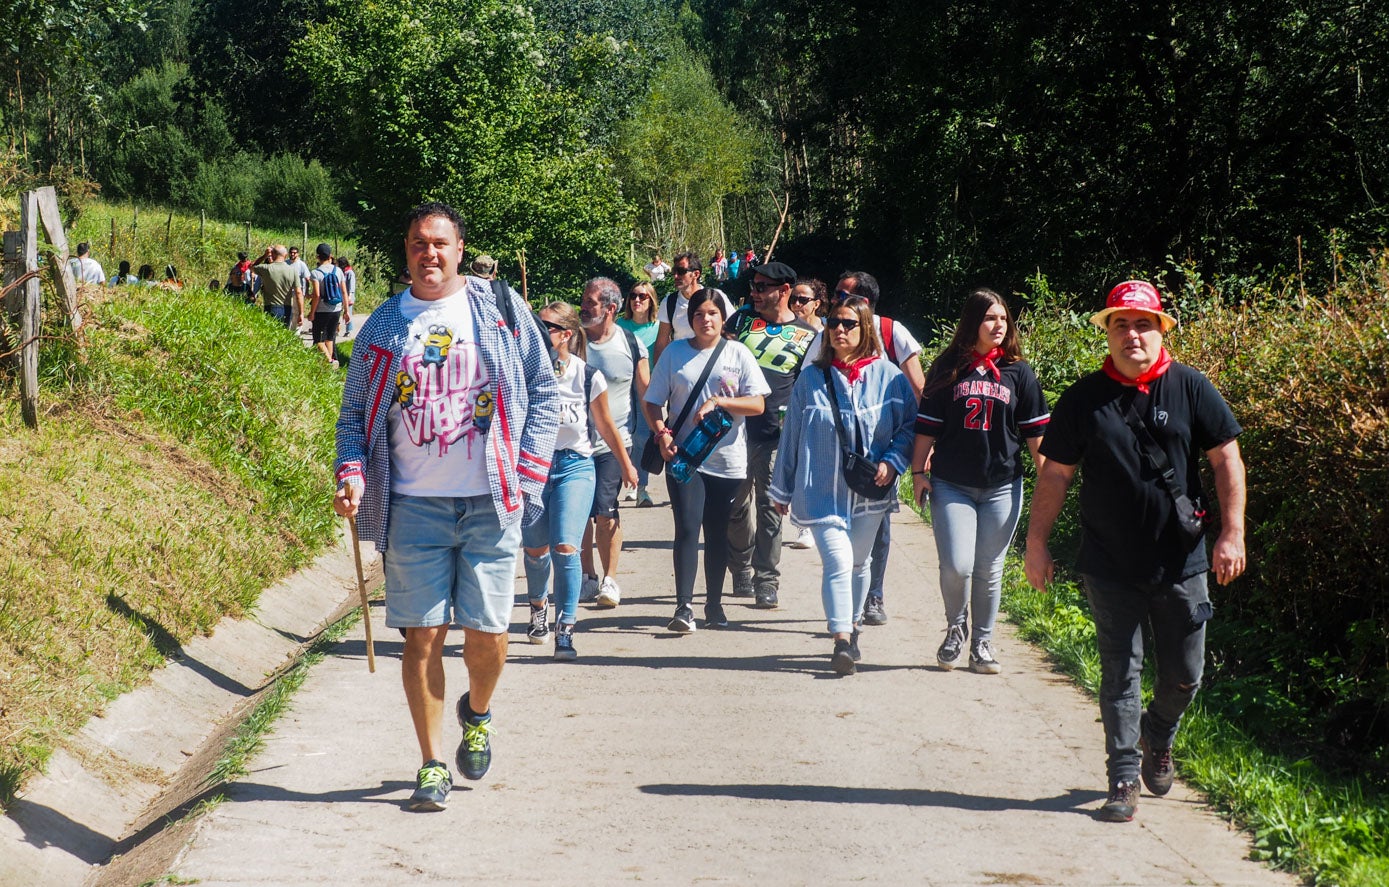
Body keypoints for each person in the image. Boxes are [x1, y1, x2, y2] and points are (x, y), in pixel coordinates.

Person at [333, 202, 559, 812]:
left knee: (488, 636)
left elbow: (542, 389)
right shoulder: (382, 325)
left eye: (439, 243)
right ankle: (431, 764)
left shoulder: (502, 310)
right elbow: (353, 415)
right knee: (423, 638)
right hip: (413, 505)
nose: (428, 254)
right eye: (416, 244)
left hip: (491, 500)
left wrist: (530, 474)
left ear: (460, 249)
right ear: (404, 252)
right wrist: (351, 472)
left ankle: (477, 711)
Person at [1023, 280, 1247, 823]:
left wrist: (1232, 533)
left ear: (1160, 330)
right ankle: (1123, 776)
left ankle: (1158, 732)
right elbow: (1055, 474)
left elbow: (1226, 460)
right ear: (1107, 332)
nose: (1132, 334)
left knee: (1184, 677)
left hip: (1182, 562)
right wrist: (1036, 541)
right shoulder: (1083, 398)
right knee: (1119, 672)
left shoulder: (1192, 387)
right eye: (1120, 324)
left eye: (1143, 323)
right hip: (1109, 564)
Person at [770, 295, 915, 674]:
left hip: (870, 489)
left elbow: (909, 427)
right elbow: (792, 436)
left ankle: (852, 626)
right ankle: (841, 640)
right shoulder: (811, 378)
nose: (838, 329)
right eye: (834, 322)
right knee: (838, 559)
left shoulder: (890, 377)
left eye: (848, 323)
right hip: (821, 489)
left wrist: (893, 461)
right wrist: (781, 489)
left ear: (864, 328)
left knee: (860, 562)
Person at [911, 289, 1050, 674]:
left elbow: (1036, 433)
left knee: (990, 567)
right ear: (973, 322)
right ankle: (956, 629)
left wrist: (1047, 480)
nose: (999, 326)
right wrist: (918, 472)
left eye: (1004, 319)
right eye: (991, 318)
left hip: (1002, 485)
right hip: (952, 483)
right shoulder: (947, 367)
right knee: (956, 565)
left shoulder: (1019, 372)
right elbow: (926, 427)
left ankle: (983, 643)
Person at [642, 287, 769, 632]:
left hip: (727, 458)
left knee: (716, 531)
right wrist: (661, 433)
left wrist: (720, 402)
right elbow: (653, 401)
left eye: (712, 313)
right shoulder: (674, 354)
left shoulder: (738, 353)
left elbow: (757, 404)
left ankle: (714, 604)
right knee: (686, 528)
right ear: (690, 319)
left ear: (722, 317)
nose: (706, 320)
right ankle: (684, 607)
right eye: (699, 314)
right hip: (685, 456)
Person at [809, 271, 926, 627]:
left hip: (881, 455)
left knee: (880, 528)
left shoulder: (893, 333)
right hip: (836, 456)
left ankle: (873, 595)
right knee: (842, 545)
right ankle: (846, 618)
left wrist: (920, 450)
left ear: (867, 302)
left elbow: (918, 389)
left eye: (845, 294)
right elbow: (809, 381)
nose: (836, 303)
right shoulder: (829, 332)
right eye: (836, 297)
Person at [523, 301, 637, 659]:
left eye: (547, 329)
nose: (540, 335)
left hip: (576, 465)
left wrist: (626, 464)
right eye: (537, 328)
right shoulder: (527, 372)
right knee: (536, 548)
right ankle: (538, 607)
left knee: (566, 548)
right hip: (535, 466)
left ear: (566, 335)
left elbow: (605, 425)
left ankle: (565, 628)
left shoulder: (588, 376)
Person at [723, 261, 818, 608]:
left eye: (763, 287)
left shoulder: (808, 335)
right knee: (734, 506)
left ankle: (766, 579)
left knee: (770, 508)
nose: (755, 292)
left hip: (774, 434)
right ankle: (741, 569)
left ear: (785, 291)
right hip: (732, 430)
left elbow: (809, 387)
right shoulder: (740, 321)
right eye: (754, 285)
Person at [576, 277, 648, 607]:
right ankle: (587, 577)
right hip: (575, 442)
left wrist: (662, 432)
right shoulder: (572, 341)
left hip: (615, 442)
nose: (584, 306)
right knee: (577, 513)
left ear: (610, 308)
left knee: (605, 511)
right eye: (584, 300)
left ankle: (610, 579)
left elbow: (647, 394)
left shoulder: (631, 344)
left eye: (591, 302)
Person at [651, 252, 736, 365]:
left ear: (696, 274)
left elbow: (734, 330)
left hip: (715, 366)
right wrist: (659, 376)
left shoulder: (716, 298)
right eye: (674, 271)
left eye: (681, 271)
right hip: (682, 369)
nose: (675, 276)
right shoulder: (669, 303)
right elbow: (661, 343)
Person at [618, 281, 660, 508]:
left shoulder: (658, 327)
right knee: (625, 434)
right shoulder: (620, 325)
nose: (637, 300)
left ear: (651, 300)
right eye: (633, 295)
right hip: (622, 386)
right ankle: (627, 478)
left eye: (642, 296)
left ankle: (641, 487)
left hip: (647, 386)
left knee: (643, 435)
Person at [308, 243, 348, 365]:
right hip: (336, 309)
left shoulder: (316, 272)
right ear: (330, 256)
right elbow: (344, 292)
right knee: (329, 339)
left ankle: (330, 361)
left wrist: (312, 312)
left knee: (318, 340)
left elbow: (317, 295)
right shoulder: (338, 271)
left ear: (318, 256)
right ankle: (329, 367)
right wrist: (346, 311)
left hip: (321, 310)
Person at [250, 246, 303, 329]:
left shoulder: (266, 269)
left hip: (270, 307)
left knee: (269, 335)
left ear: (273, 255)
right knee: (283, 335)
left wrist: (265, 255)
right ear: (285, 255)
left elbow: (251, 267)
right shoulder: (293, 271)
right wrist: (301, 313)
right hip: (287, 308)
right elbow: (299, 293)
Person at [286, 245, 311, 322]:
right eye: (291, 252)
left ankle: (296, 331)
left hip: (298, 292)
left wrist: (306, 292)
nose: (292, 254)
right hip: (287, 291)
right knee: (288, 311)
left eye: (294, 253)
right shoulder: (285, 263)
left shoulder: (301, 264)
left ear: (298, 254)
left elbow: (307, 279)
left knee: (297, 312)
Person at [337, 256, 358, 335]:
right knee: (338, 312)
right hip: (340, 295)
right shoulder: (341, 272)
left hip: (348, 296)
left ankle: (348, 330)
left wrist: (350, 296)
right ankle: (337, 329)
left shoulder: (350, 273)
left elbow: (351, 286)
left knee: (348, 313)